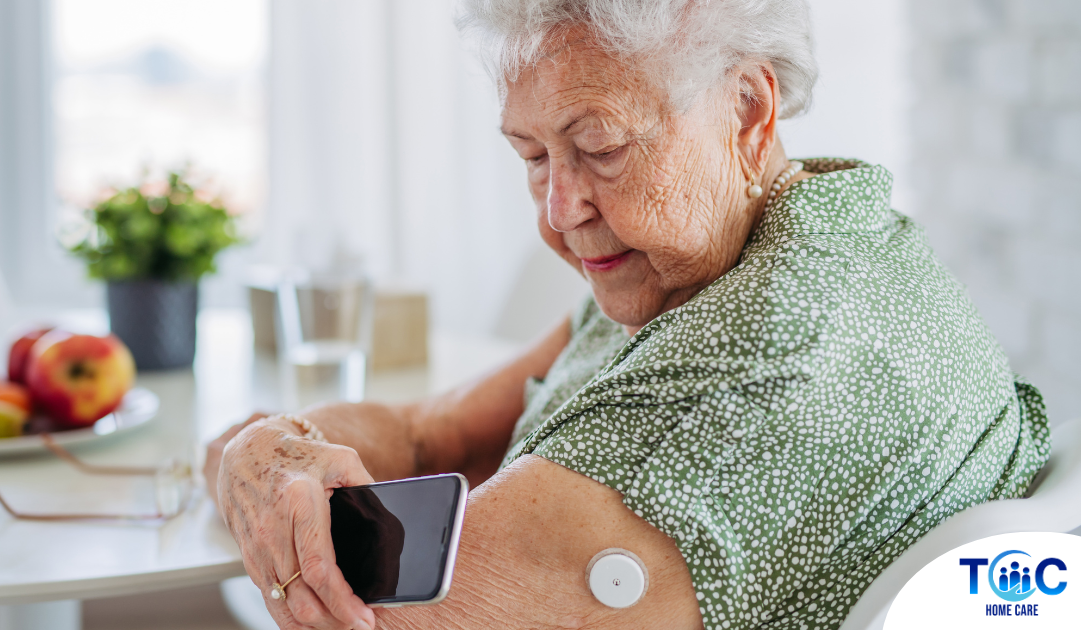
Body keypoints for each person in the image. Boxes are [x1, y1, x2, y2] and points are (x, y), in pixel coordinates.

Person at [204, 1, 1051, 628]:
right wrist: (271, 454)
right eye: (533, 157)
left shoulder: (760, 355)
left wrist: (256, 459)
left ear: (749, 112)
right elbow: (433, 435)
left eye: (601, 147)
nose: (559, 209)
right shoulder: (763, 248)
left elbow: (374, 611)